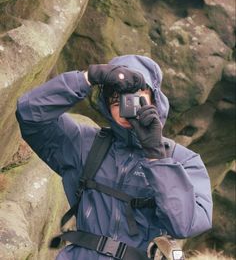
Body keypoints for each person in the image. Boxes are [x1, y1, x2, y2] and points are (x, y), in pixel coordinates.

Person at [16, 54, 213, 260]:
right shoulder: (84, 142)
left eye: (136, 97)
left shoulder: (184, 160)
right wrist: (87, 78)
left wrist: (156, 156)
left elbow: (186, 225)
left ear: (155, 99)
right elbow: (29, 113)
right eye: (116, 98)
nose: (126, 106)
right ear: (106, 104)